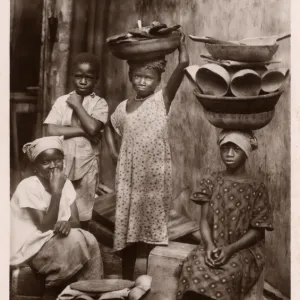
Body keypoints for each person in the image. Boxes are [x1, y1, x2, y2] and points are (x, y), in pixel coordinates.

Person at [105, 33, 189, 280]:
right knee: (128, 228)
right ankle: (127, 281)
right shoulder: (124, 106)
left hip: (153, 176)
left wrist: (181, 44)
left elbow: (183, 65)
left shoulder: (161, 100)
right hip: (129, 176)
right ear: (131, 77)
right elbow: (110, 126)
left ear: (158, 80)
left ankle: (150, 281)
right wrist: (113, 151)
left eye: (148, 77)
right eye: (138, 76)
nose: (142, 81)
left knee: (148, 227)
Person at [176, 130, 274, 300]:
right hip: (213, 244)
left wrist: (230, 249)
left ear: (246, 152)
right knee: (193, 267)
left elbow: (258, 232)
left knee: (228, 275)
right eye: (225, 148)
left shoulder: (257, 188)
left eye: (236, 149)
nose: (229, 154)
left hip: (243, 249)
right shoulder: (211, 181)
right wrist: (208, 246)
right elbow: (205, 221)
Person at [10, 136, 103, 300]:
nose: (53, 166)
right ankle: (55, 289)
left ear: (63, 162)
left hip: (55, 241)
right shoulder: (28, 186)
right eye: (46, 162)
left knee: (89, 238)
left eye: (57, 160)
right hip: (31, 247)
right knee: (76, 239)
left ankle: (91, 291)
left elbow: (75, 220)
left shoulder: (66, 184)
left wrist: (67, 223)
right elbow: (44, 227)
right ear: (35, 168)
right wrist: (56, 191)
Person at [44, 52, 109, 229]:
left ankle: (82, 244)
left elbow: (95, 128)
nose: (82, 81)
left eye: (88, 77)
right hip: (62, 163)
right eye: (79, 76)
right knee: (59, 206)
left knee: (83, 213)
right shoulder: (62, 101)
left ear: (96, 79)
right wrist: (84, 131)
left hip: (86, 166)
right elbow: (51, 129)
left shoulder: (100, 103)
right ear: (73, 76)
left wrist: (78, 105)